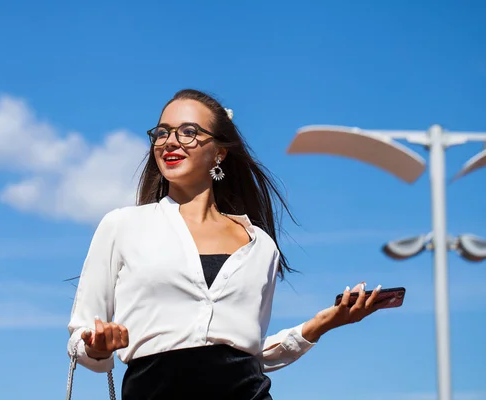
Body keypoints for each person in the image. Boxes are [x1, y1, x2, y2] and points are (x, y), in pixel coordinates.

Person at [67, 89, 383, 399]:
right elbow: (79, 341)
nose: (171, 141)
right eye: (162, 133)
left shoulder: (261, 246)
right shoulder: (122, 226)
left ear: (219, 152)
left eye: (188, 131)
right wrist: (96, 344)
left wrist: (323, 323)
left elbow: (251, 353)